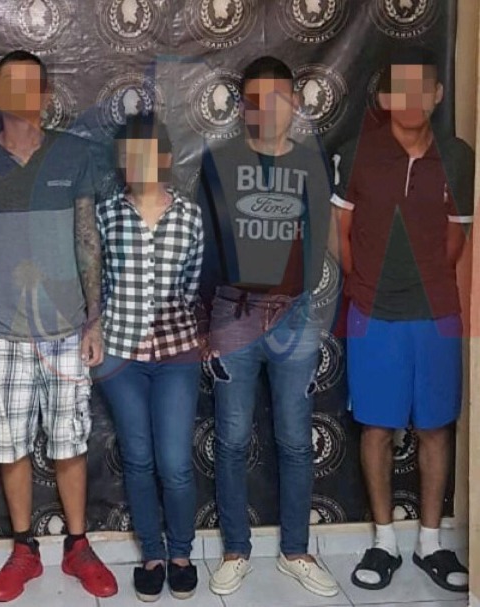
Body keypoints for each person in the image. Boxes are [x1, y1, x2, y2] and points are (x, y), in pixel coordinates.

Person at [0, 50, 118, 602]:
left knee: (69, 443)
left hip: (66, 332)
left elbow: (87, 239)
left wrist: (94, 320)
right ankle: (23, 549)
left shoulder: (73, 154)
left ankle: (78, 546)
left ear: (46, 95)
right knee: (9, 446)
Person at [331, 46, 472, 593]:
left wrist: (425, 280)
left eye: (422, 88)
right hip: (373, 313)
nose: (411, 99)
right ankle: (383, 541)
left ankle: (430, 543)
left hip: (438, 314)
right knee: (377, 427)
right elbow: (341, 236)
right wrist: (368, 284)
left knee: (436, 426)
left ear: (437, 95)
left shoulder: (459, 157)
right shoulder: (356, 154)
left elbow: (456, 240)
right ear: (386, 97)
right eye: (401, 89)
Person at [198, 56, 339, 598]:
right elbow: (209, 245)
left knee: (295, 440)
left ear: (295, 103)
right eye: (256, 99)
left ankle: (296, 551)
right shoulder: (220, 161)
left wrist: (297, 298)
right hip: (232, 313)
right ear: (242, 107)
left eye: (278, 97)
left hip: (294, 315)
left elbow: (318, 237)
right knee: (232, 439)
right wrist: (209, 318)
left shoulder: (310, 160)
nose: (268, 108)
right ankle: (236, 550)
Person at [93, 113, 203, 602]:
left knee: (175, 462)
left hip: (177, 353)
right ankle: (152, 557)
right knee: (138, 459)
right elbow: (96, 281)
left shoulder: (190, 216)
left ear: (166, 158)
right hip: (120, 356)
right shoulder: (106, 215)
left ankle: (181, 554)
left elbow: (193, 283)